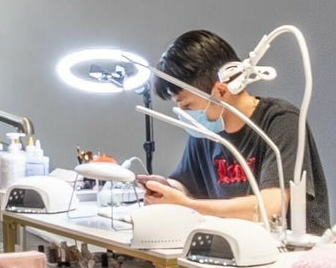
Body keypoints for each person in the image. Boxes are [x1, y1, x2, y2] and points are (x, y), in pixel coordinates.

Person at [137, 27, 322, 226]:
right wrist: (165, 188)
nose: (185, 114)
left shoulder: (280, 121)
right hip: (233, 249)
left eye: (187, 105)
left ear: (221, 91)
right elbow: (186, 185)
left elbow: (270, 208)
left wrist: (188, 205)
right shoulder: (206, 132)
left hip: (290, 253)